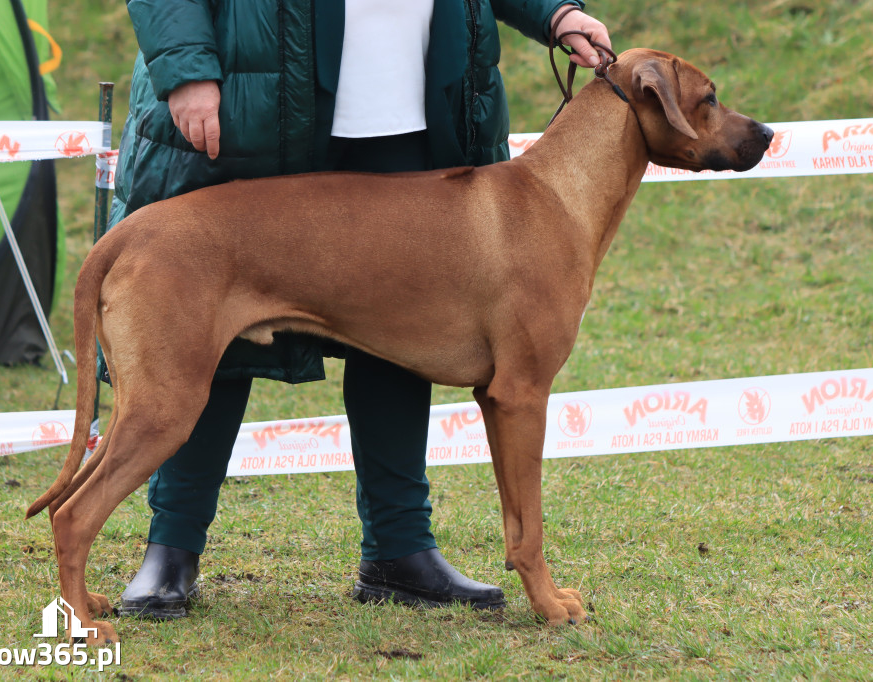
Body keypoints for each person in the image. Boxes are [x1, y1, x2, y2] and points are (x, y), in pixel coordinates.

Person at [108, 0, 611, 620]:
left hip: (417, 111)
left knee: (409, 333)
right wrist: (186, 68)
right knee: (211, 321)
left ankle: (400, 550)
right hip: (259, 93)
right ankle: (173, 547)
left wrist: (555, 11)